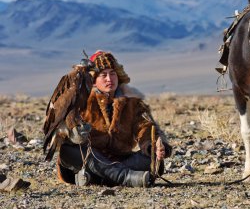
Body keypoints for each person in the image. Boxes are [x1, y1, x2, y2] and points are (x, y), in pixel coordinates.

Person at [56, 50, 172, 187]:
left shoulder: (133, 103)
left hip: (120, 160)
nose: (109, 79)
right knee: (67, 152)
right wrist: (75, 136)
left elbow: (145, 128)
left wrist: (153, 146)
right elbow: (63, 134)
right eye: (103, 75)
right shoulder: (80, 102)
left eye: (112, 74)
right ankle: (126, 177)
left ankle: (100, 178)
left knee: (153, 160)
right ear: (93, 79)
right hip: (89, 159)